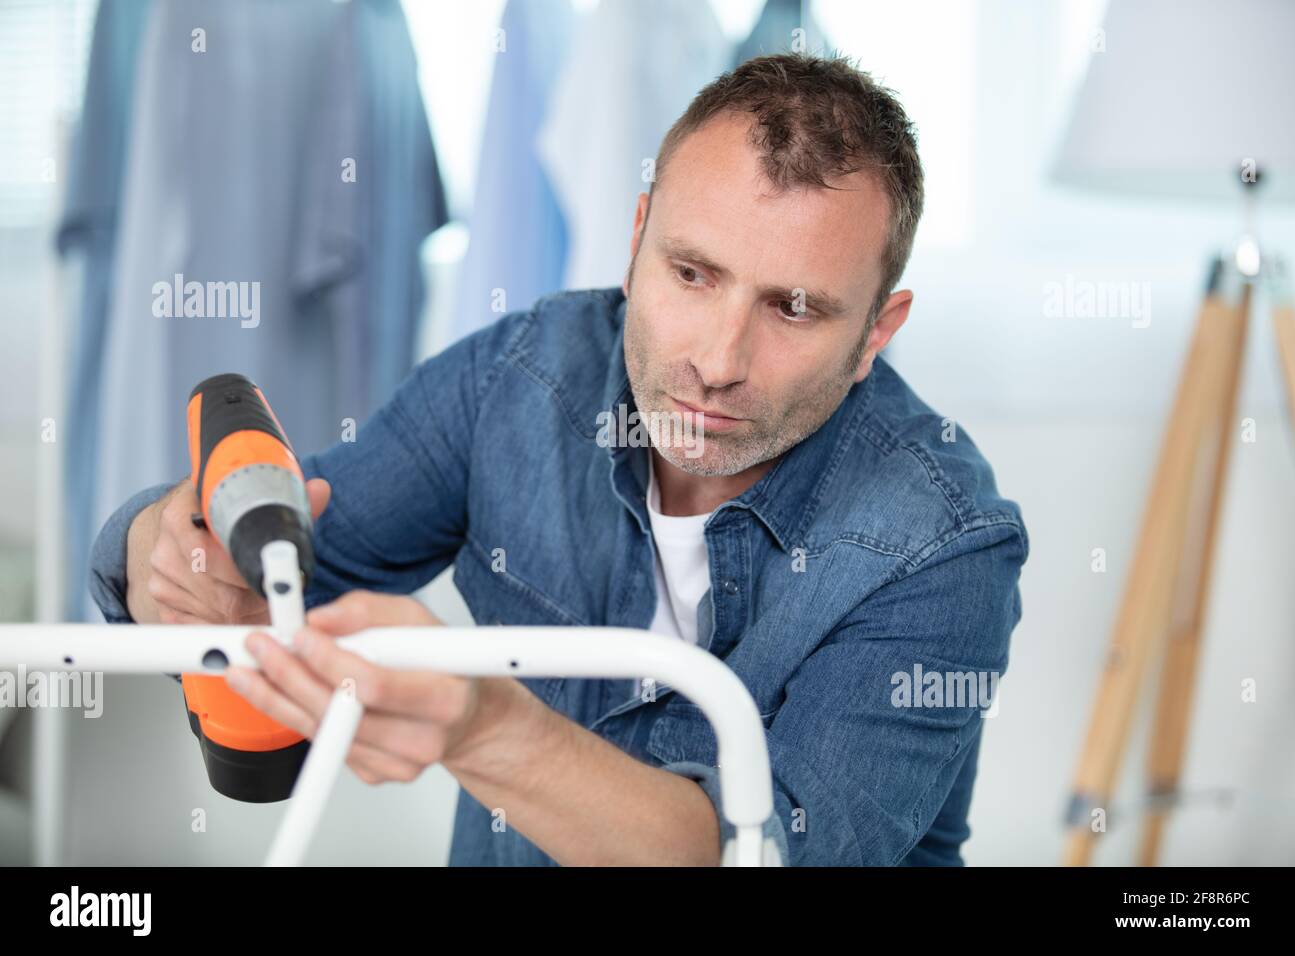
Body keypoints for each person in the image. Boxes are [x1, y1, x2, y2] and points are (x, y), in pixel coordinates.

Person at [90, 53, 1029, 866]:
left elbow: (768, 856)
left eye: (793, 308)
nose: (717, 359)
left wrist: (488, 727)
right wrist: (158, 552)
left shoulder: (943, 544)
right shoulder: (523, 378)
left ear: (876, 333)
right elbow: (287, 562)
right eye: (691, 273)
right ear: (635, 243)